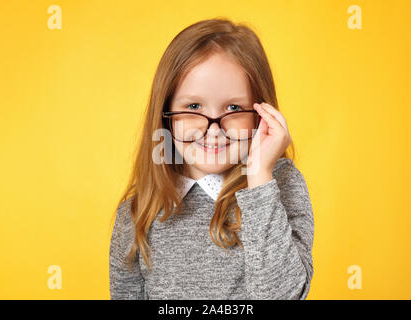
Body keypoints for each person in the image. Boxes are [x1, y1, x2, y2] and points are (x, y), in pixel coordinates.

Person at [109, 18, 314, 300]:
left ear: (261, 113)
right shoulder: (140, 209)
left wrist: (259, 178)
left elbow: (283, 296)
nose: (213, 129)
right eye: (193, 106)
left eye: (234, 107)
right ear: (166, 114)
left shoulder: (278, 185)